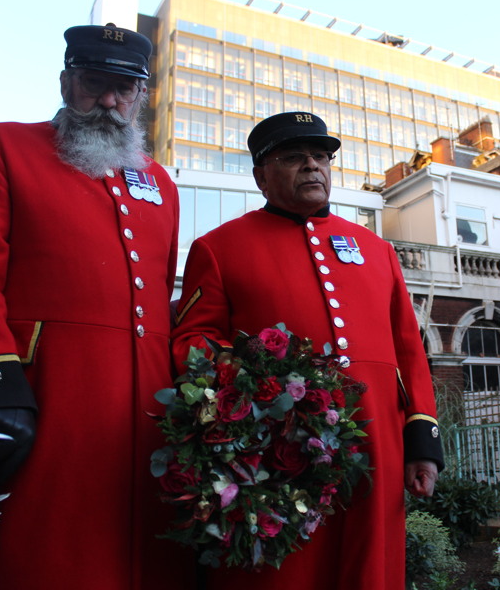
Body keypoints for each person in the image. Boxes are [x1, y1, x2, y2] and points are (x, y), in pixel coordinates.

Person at [0, 24, 195, 589]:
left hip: (148, 415)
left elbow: (158, 299)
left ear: (140, 97)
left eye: (123, 90)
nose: (108, 101)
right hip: (47, 398)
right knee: (48, 553)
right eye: (93, 83)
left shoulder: (162, 185)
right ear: (64, 81)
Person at [171, 111, 444, 589]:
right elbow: (192, 343)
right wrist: (258, 384)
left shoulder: (376, 249)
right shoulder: (218, 247)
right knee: (288, 572)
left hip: (378, 438)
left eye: (321, 157)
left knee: (370, 568)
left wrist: (422, 440)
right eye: (294, 158)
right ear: (261, 174)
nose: (312, 167)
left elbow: (409, 350)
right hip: (277, 445)